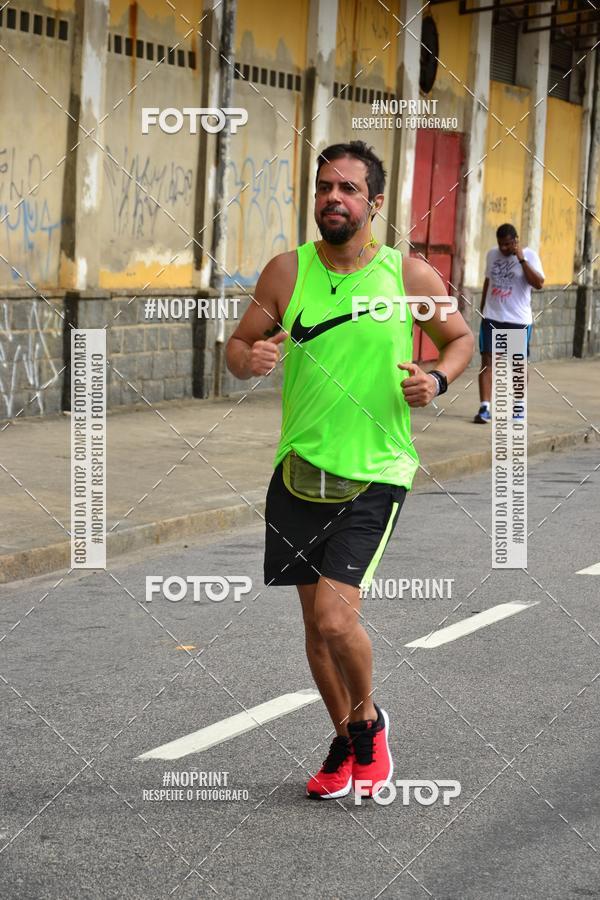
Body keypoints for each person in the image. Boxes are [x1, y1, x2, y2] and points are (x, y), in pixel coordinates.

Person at [226, 141, 473, 801]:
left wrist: (437, 378)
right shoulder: (286, 272)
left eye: (349, 189)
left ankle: (368, 723)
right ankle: (343, 740)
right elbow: (237, 342)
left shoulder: (408, 277)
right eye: (325, 187)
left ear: (375, 203)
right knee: (314, 631)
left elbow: (461, 340)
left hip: (377, 469)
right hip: (298, 471)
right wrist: (245, 359)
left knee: (337, 622)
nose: (334, 198)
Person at [474, 223, 544, 423]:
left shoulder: (530, 256)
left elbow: (538, 283)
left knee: (517, 365)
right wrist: (483, 309)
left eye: (507, 245)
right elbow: (488, 281)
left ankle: (519, 407)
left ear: (515, 241)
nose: (503, 249)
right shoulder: (491, 255)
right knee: (487, 362)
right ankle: (484, 408)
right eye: (500, 244)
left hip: (517, 320)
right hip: (492, 317)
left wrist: (521, 259)